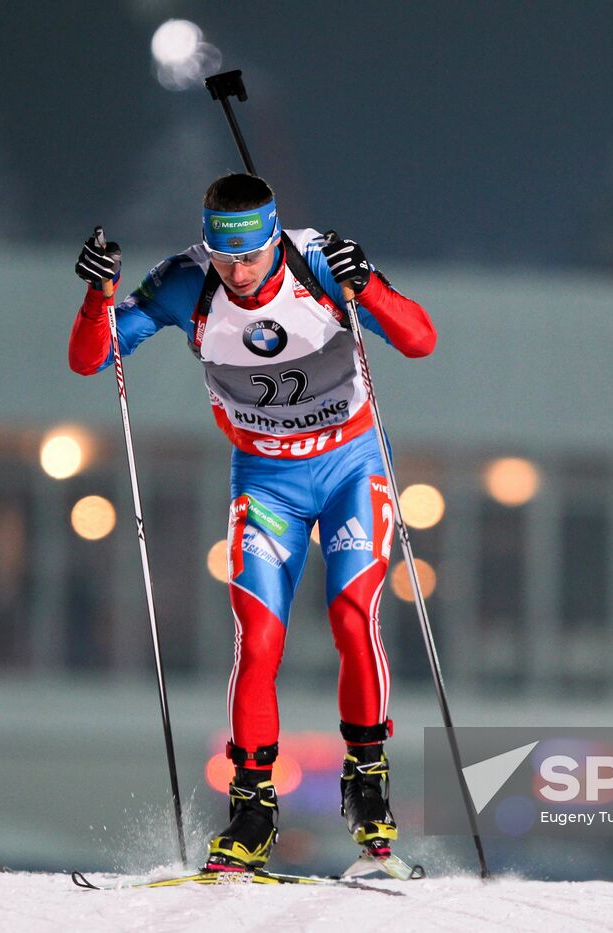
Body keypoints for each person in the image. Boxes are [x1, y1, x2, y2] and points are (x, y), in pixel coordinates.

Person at [67, 173, 436, 871]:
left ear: (274, 238)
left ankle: (368, 792)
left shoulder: (320, 260)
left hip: (350, 470)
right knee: (258, 634)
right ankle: (251, 809)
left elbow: (419, 340)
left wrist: (369, 289)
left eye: (252, 257)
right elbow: (93, 357)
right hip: (266, 479)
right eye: (224, 258)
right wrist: (97, 295)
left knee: (354, 614)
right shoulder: (186, 282)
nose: (238, 273)